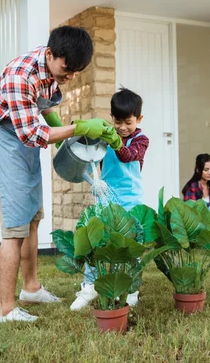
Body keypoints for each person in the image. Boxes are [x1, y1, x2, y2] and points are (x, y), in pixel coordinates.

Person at [0, 26, 122, 323]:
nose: (69, 76)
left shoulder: (51, 72)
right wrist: (79, 127)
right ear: (50, 55)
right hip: (7, 144)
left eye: (75, 72)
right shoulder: (20, 77)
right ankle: (5, 310)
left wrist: (71, 143)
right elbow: (32, 133)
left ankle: (31, 289)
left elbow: (45, 111)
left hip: (24, 142)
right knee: (15, 227)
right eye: (67, 69)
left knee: (33, 217)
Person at [70, 87, 149, 311]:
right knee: (96, 241)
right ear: (111, 117)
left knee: (130, 246)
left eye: (128, 122)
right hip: (105, 199)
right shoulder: (106, 137)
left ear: (139, 119)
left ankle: (131, 289)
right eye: (117, 122)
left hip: (131, 200)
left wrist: (113, 138)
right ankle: (89, 286)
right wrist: (80, 132)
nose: (122, 128)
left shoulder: (141, 140)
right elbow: (88, 154)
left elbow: (128, 155)